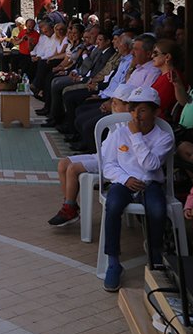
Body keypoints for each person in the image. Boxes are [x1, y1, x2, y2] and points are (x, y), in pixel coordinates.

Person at [99, 86, 174, 292]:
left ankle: (155, 254)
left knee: (157, 210)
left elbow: (150, 165)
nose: (136, 116)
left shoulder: (163, 137)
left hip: (150, 183)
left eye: (142, 110)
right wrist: (125, 179)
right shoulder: (120, 133)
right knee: (113, 206)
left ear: (155, 112)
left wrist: (136, 136)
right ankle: (113, 262)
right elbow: (108, 165)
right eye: (133, 110)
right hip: (124, 182)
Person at [48, 84, 133, 227]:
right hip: (100, 155)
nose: (113, 106)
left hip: (112, 162)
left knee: (73, 169)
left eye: (116, 103)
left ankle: (69, 207)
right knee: (63, 164)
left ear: (128, 106)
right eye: (113, 102)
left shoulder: (129, 124)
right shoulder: (115, 118)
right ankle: (70, 205)